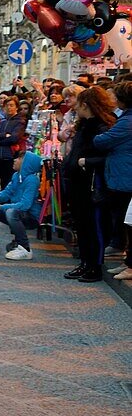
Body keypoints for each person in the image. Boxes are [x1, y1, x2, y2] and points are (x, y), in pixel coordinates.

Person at [63, 86, 116, 283]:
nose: (76, 108)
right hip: (77, 181)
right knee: (82, 225)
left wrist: (87, 162)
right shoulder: (85, 124)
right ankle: (85, 262)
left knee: (94, 226)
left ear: (86, 104)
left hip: (92, 183)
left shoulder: (104, 126)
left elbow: (107, 156)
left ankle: (95, 266)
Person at [0, 153, 42, 261]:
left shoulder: (32, 180)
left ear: (27, 164)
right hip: (15, 212)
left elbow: (25, 205)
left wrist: (1, 207)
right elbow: (7, 192)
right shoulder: (16, 176)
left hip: (30, 217)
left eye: (19, 158)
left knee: (10, 212)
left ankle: (25, 248)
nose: (15, 160)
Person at [95, 80, 132, 280]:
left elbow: (103, 141)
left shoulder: (127, 121)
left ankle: (130, 264)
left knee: (127, 220)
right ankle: (128, 261)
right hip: (123, 174)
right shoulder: (125, 118)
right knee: (124, 219)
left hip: (125, 175)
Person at [0, 96, 25, 192]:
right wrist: (5, 135)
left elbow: (14, 138)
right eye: (7, 105)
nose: (9, 108)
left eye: (11, 105)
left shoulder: (20, 121)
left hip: (10, 156)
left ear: (16, 107)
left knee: (9, 181)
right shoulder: (2, 122)